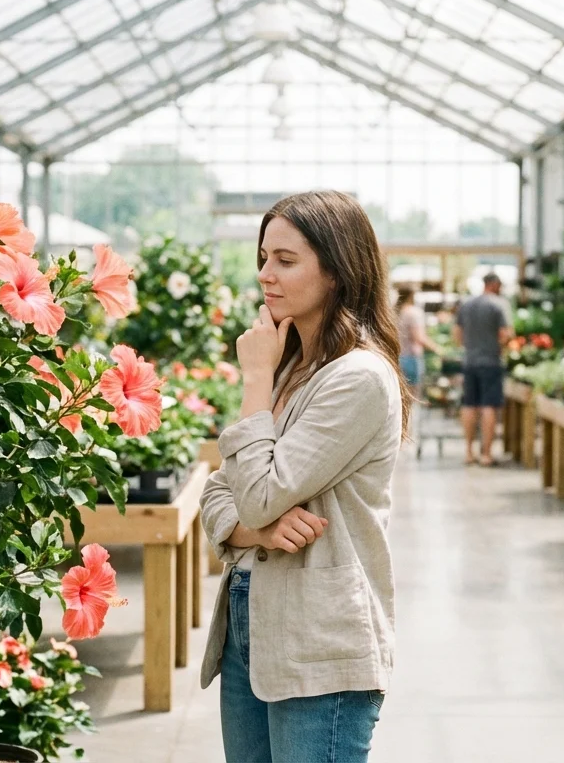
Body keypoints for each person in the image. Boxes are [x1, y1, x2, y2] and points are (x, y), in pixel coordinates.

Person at [198, 190, 408, 763]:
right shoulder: (293, 362)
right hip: (252, 620)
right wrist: (253, 533)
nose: (266, 275)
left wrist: (256, 375)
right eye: (263, 257)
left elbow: (259, 493)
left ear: (337, 272)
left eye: (286, 260)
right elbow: (223, 488)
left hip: (321, 642)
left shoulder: (357, 377)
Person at [455, 272, 512, 466]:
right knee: (489, 406)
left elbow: (457, 334)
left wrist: (470, 346)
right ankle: (486, 454)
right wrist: (500, 346)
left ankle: (469, 452)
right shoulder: (498, 305)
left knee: (469, 404)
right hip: (491, 362)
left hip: (470, 361)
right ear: (494, 284)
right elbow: (505, 334)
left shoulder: (467, 304)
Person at [395, 288, 441, 387]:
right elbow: (419, 337)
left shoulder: (396, 312)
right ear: (411, 296)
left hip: (399, 357)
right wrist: (436, 348)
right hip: (411, 357)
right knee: (413, 394)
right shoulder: (413, 312)